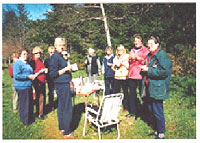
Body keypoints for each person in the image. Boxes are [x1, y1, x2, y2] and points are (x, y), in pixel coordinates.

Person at [140, 35, 172, 139]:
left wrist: (148, 70)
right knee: (151, 110)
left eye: (151, 44)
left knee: (158, 111)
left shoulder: (161, 55)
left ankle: (161, 134)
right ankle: (156, 130)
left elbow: (164, 71)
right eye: (148, 44)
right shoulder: (149, 55)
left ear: (157, 44)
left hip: (157, 88)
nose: (149, 46)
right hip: (149, 87)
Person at [49, 38, 75, 139]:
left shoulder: (60, 56)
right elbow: (53, 74)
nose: (62, 46)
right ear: (55, 45)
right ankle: (67, 132)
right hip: (62, 84)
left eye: (63, 44)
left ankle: (62, 127)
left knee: (61, 106)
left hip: (63, 83)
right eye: (60, 45)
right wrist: (66, 69)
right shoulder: (55, 57)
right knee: (67, 107)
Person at [126, 34, 149, 118]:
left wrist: (137, 57)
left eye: (137, 41)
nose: (135, 43)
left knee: (143, 94)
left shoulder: (145, 50)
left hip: (140, 75)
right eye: (134, 41)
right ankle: (133, 112)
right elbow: (130, 62)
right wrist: (129, 59)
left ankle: (145, 111)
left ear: (141, 41)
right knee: (132, 94)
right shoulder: (131, 50)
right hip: (132, 75)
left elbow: (146, 62)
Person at [13, 48, 36, 125]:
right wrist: (28, 76)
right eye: (24, 54)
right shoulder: (18, 63)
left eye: (27, 54)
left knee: (29, 103)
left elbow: (31, 72)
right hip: (22, 87)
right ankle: (25, 121)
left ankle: (29, 118)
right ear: (20, 55)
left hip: (28, 86)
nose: (26, 56)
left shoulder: (27, 63)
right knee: (24, 104)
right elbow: (16, 75)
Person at [30, 46, 47, 120]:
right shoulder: (32, 62)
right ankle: (39, 113)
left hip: (43, 81)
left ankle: (40, 112)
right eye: (37, 53)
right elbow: (32, 72)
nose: (38, 54)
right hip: (37, 81)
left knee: (42, 97)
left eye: (40, 53)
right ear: (34, 53)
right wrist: (41, 71)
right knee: (39, 97)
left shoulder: (40, 61)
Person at [112, 44, 129, 112]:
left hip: (125, 76)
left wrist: (122, 64)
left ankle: (126, 106)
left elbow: (128, 66)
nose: (119, 51)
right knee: (116, 92)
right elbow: (113, 67)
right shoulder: (115, 57)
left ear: (123, 50)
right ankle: (116, 105)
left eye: (121, 50)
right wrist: (114, 67)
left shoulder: (127, 56)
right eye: (118, 50)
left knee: (125, 92)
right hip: (117, 76)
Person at [44, 46, 55, 111]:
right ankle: (51, 105)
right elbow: (46, 69)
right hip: (50, 78)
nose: (51, 53)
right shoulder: (47, 60)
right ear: (48, 52)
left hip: (56, 77)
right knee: (51, 92)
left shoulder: (57, 59)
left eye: (53, 52)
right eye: (50, 52)